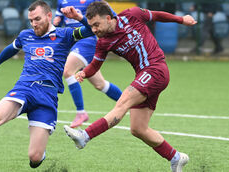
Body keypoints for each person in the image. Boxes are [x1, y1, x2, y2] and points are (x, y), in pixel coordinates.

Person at [0, 0, 94, 169]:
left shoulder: (65, 34)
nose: (34, 24)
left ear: (49, 16)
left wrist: (79, 17)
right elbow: (11, 48)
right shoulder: (26, 35)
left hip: (47, 97)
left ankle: (40, 155)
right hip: (24, 88)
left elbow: (92, 30)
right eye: (31, 20)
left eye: (37, 19)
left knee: (35, 157)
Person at [62, 2, 197, 172]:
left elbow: (156, 15)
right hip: (144, 74)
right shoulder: (103, 42)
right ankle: (176, 157)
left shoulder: (132, 14)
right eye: (91, 26)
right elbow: (95, 66)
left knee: (123, 102)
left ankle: (85, 136)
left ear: (109, 18)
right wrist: (84, 73)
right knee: (138, 128)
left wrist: (181, 19)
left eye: (96, 24)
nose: (94, 30)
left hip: (156, 69)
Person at [53, 0, 122, 128]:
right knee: (100, 84)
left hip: (86, 41)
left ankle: (81, 112)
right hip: (72, 42)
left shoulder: (93, 1)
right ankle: (129, 102)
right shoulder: (61, 1)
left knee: (68, 71)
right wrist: (56, 21)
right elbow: (59, 20)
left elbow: (113, 16)